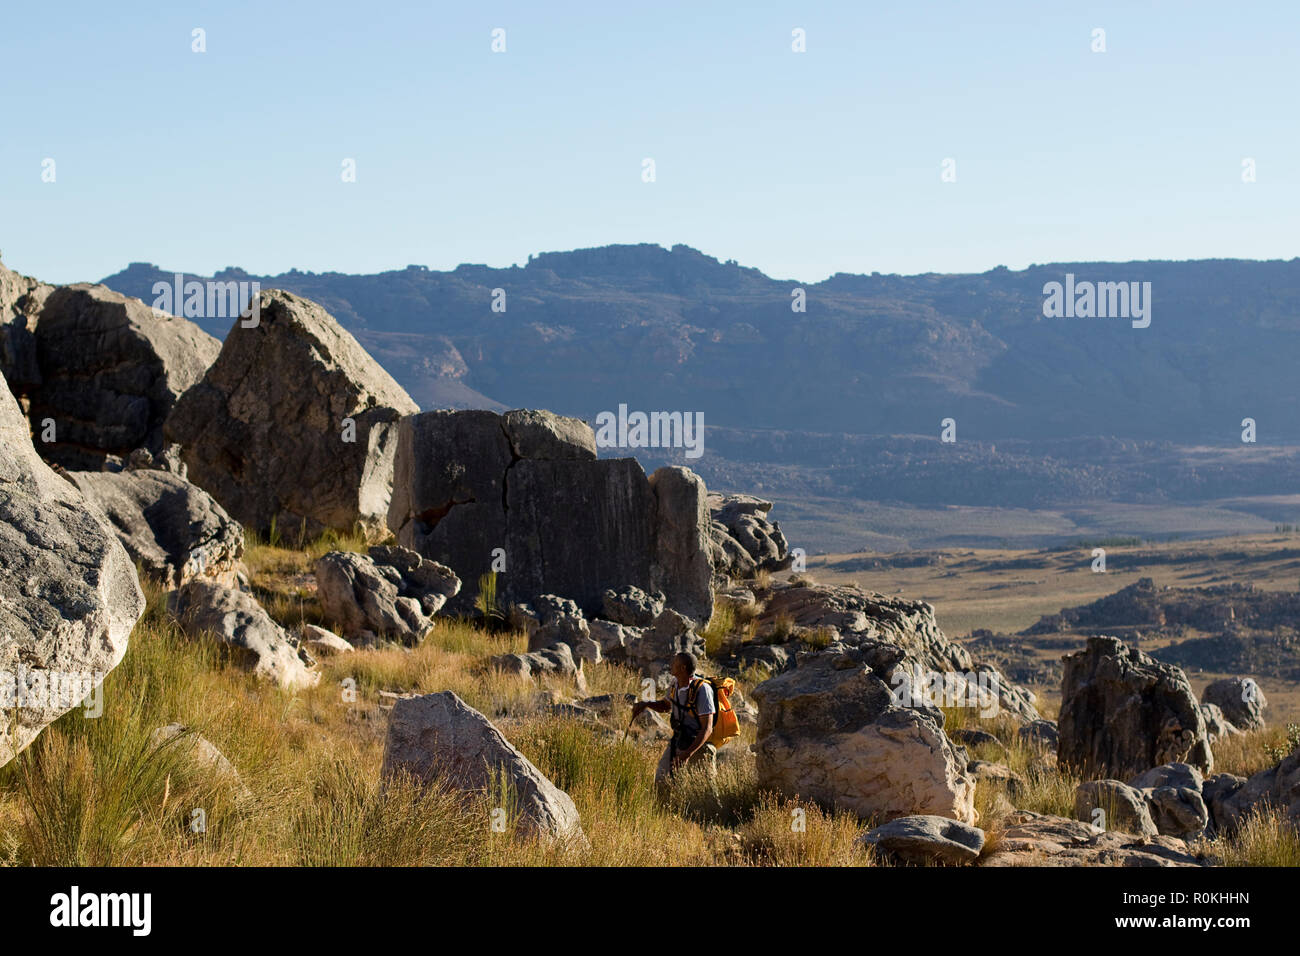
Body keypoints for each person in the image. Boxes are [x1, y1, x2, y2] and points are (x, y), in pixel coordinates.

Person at [631, 651, 717, 791]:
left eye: (674, 663)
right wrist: (646, 704)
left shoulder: (703, 690)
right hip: (679, 741)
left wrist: (687, 754)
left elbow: (707, 729)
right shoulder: (674, 684)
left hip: (699, 746)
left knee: (705, 790)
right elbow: (666, 706)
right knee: (662, 780)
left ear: (683, 668)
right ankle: (665, 810)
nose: (671, 664)